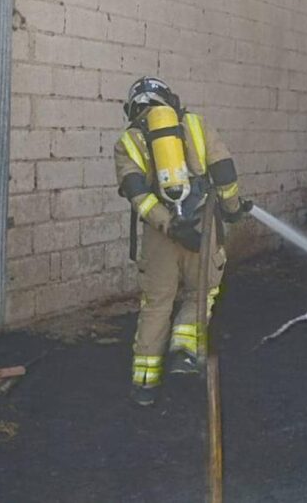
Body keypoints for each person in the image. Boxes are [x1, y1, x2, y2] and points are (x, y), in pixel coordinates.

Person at [113, 77, 251, 406]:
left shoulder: (128, 141)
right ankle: (184, 350)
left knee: (156, 303)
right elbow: (225, 173)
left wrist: (171, 225)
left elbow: (137, 195)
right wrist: (232, 209)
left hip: (159, 234)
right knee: (202, 292)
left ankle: (144, 385)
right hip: (203, 227)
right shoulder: (196, 125)